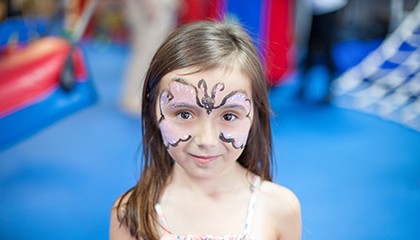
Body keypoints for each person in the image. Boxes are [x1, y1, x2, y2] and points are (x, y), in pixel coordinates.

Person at [110, 20, 301, 240]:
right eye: (184, 114)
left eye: (229, 116)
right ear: (153, 110)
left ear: (254, 117)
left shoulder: (280, 208)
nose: (206, 140)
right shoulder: (131, 214)